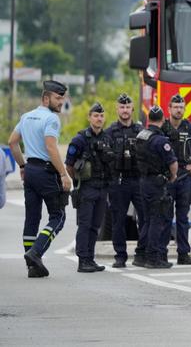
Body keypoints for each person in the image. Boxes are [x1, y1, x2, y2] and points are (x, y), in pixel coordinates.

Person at [8, 80, 72, 278]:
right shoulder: (51, 119)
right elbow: (51, 147)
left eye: (63, 97)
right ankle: (36, 252)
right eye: (58, 98)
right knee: (58, 217)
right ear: (46, 98)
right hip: (46, 172)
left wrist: (22, 166)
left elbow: (12, 142)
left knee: (32, 218)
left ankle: (33, 267)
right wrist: (63, 174)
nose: (61, 101)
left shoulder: (26, 116)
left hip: (31, 171)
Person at [65, 102, 114, 273]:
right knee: (85, 225)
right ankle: (82, 260)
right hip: (87, 188)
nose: (99, 118)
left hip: (102, 189)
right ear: (89, 117)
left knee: (95, 226)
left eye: (101, 116)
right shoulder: (80, 139)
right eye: (96, 115)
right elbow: (69, 165)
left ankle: (90, 258)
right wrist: (77, 182)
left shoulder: (107, 139)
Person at [107, 93, 147, 268]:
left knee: (145, 218)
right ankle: (120, 256)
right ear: (117, 109)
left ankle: (142, 252)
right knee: (118, 220)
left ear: (132, 108)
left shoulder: (141, 131)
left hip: (138, 180)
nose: (125, 110)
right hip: (119, 182)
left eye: (127, 107)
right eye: (121, 107)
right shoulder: (109, 132)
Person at [162, 94, 191, 265]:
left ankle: (183, 254)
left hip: (185, 177)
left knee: (183, 217)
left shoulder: (190, 128)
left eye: (181, 107)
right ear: (169, 109)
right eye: (176, 107)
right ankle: (161, 253)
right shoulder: (162, 128)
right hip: (167, 179)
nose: (179, 110)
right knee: (165, 215)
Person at [136, 105, 177, 269]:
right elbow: (173, 164)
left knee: (146, 220)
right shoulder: (161, 141)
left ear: (148, 120)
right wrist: (173, 176)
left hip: (143, 182)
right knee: (156, 221)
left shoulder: (141, 136)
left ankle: (140, 254)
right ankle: (153, 258)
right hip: (157, 184)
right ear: (162, 120)